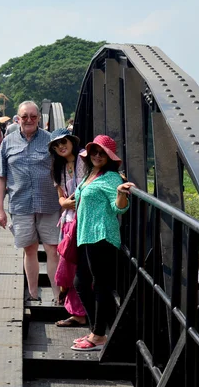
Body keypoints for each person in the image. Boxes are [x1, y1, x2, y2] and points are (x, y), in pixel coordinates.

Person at [71, 135, 135, 352]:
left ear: (109, 157)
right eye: (94, 152)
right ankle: (96, 330)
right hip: (86, 235)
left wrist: (120, 194)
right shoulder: (90, 174)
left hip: (102, 236)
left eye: (102, 153)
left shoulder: (111, 179)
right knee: (80, 283)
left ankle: (98, 335)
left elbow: (120, 209)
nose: (97, 155)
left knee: (100, 285)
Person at [0, 101, 61, 302]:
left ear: (39, 118)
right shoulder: (8, 142)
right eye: (25, 117)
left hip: (49, 203)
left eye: (33, 116)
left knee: (53, 249)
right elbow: (0, 177)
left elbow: (62, 171)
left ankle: (58, 295)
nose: (29, 120)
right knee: (29, 249)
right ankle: (33, 294)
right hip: (21, 204)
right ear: (18, 118)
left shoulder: (50, 141)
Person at [47, 128, 90, 327]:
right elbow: (60, 196)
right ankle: (77, 312)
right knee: (70, 263)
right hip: (69, 221)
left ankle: (81, 310)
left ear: (72, 141)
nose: (60, 147)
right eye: (56, 145)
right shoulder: (58, 167)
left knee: (79, 267)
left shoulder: (85, 158)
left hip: (87, 220)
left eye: (63, 142)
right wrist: (63, 202)